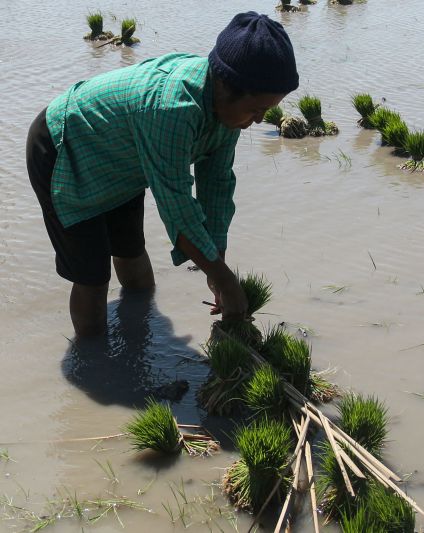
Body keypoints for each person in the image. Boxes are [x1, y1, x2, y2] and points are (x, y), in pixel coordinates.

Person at [26, 12, 299, 337]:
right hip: (66, 148)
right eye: (255, 110)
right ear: (224, 85)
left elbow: (217, 187)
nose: (257, 120)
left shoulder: (228, 113)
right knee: (92, 276)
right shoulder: (172, 110)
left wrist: (216, 266)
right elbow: (179, 212)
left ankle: (139, 338)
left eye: (266, 112)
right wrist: (225, 279)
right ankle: (95, 361)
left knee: (131, 250)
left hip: (124, 160)